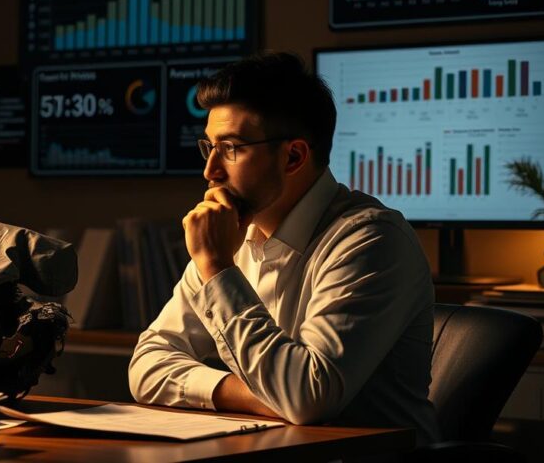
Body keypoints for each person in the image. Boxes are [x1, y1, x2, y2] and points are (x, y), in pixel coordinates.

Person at [128, 52, 439, 444]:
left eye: (232, 148)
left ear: (293, 156)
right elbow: (147, 365)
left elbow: (307, 398)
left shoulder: (371, 240)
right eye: (209, 147)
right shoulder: (233, 233)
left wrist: (217, 269)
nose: (210, 171)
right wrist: (254, 396)